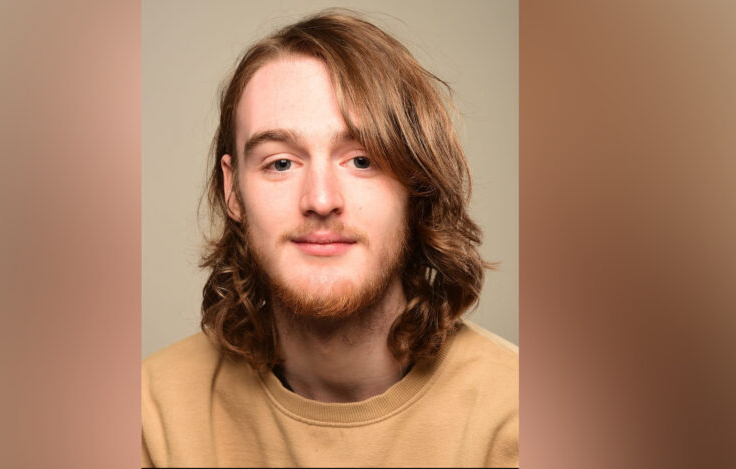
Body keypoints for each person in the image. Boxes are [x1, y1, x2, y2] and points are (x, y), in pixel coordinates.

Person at [142, 9, 518, 467]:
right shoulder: (149, 415)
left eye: (361, 160)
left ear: (416, 185)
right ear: (232, 190)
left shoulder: (519, 417)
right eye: (281, 163)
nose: (321, 199)